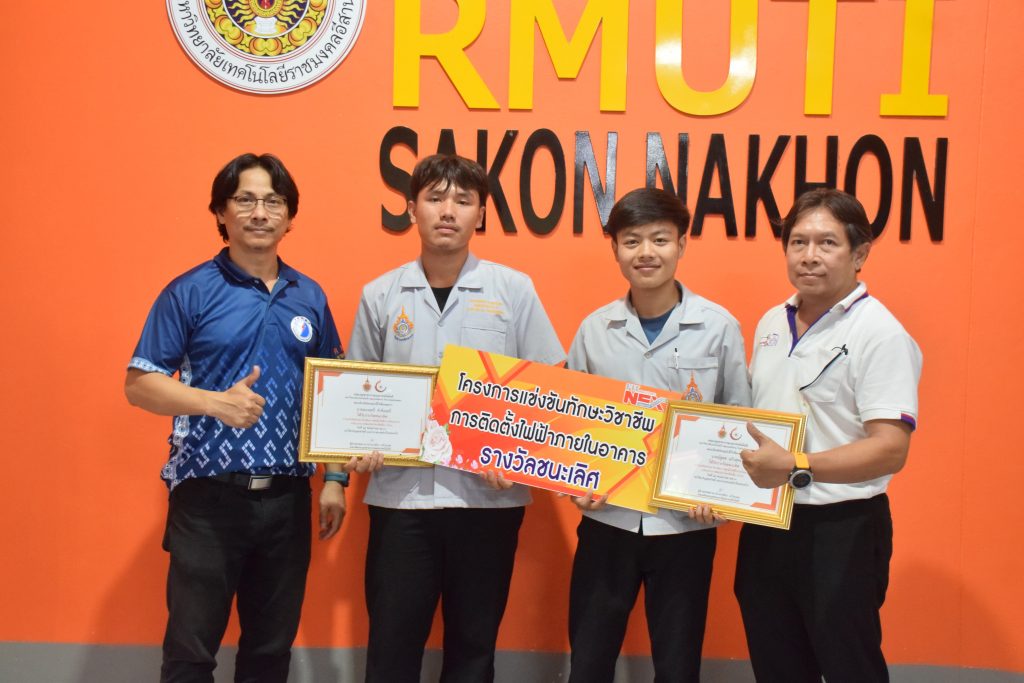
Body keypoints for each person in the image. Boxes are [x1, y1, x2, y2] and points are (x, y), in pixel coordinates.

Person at [124, 153, 346, 683]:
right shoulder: (190, 291)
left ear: (289, 216)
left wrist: (335, 479)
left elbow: (334, 394)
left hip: (288, 501)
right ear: (221, 213)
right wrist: (212, 402)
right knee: (191, 653)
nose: (260, 212)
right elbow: (139, 384)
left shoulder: (310, 296)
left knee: (270, 654)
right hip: (207, 500)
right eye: (245, 200)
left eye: (273, 201)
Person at [347, 153, 565, 683]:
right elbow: (357, 389)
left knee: (473, 648)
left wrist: (519, 455)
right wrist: (356, 444)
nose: (448, 211)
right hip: (401, 501)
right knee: (391, 648)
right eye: (435, 198)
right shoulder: (380, 295)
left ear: (481, 214)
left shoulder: (513, 289)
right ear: (411, 209)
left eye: (463, 201)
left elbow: (546, 386)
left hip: (487, 501)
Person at [735, 188, 922, 683]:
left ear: (860, 254)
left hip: (842, 529)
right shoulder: (772, 322)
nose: (809, 256)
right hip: (767, 524)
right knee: (776, 665)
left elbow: (891, 449)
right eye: (798, 242)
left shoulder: (879, 333)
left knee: (848, 666)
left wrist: (796, 465)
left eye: (827, 243)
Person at [565, 188, 751, 683]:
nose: (646, 252)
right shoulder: (594, 329)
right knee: (588, 661)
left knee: (677, 665)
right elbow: (570, 424)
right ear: (615, 249)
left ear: (682, 244)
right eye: (632, 241)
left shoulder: (719, 328)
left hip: (684, 528)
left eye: (660, 239)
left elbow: (739, 419)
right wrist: (574, 483)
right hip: (607, 521)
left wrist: (720, 496)